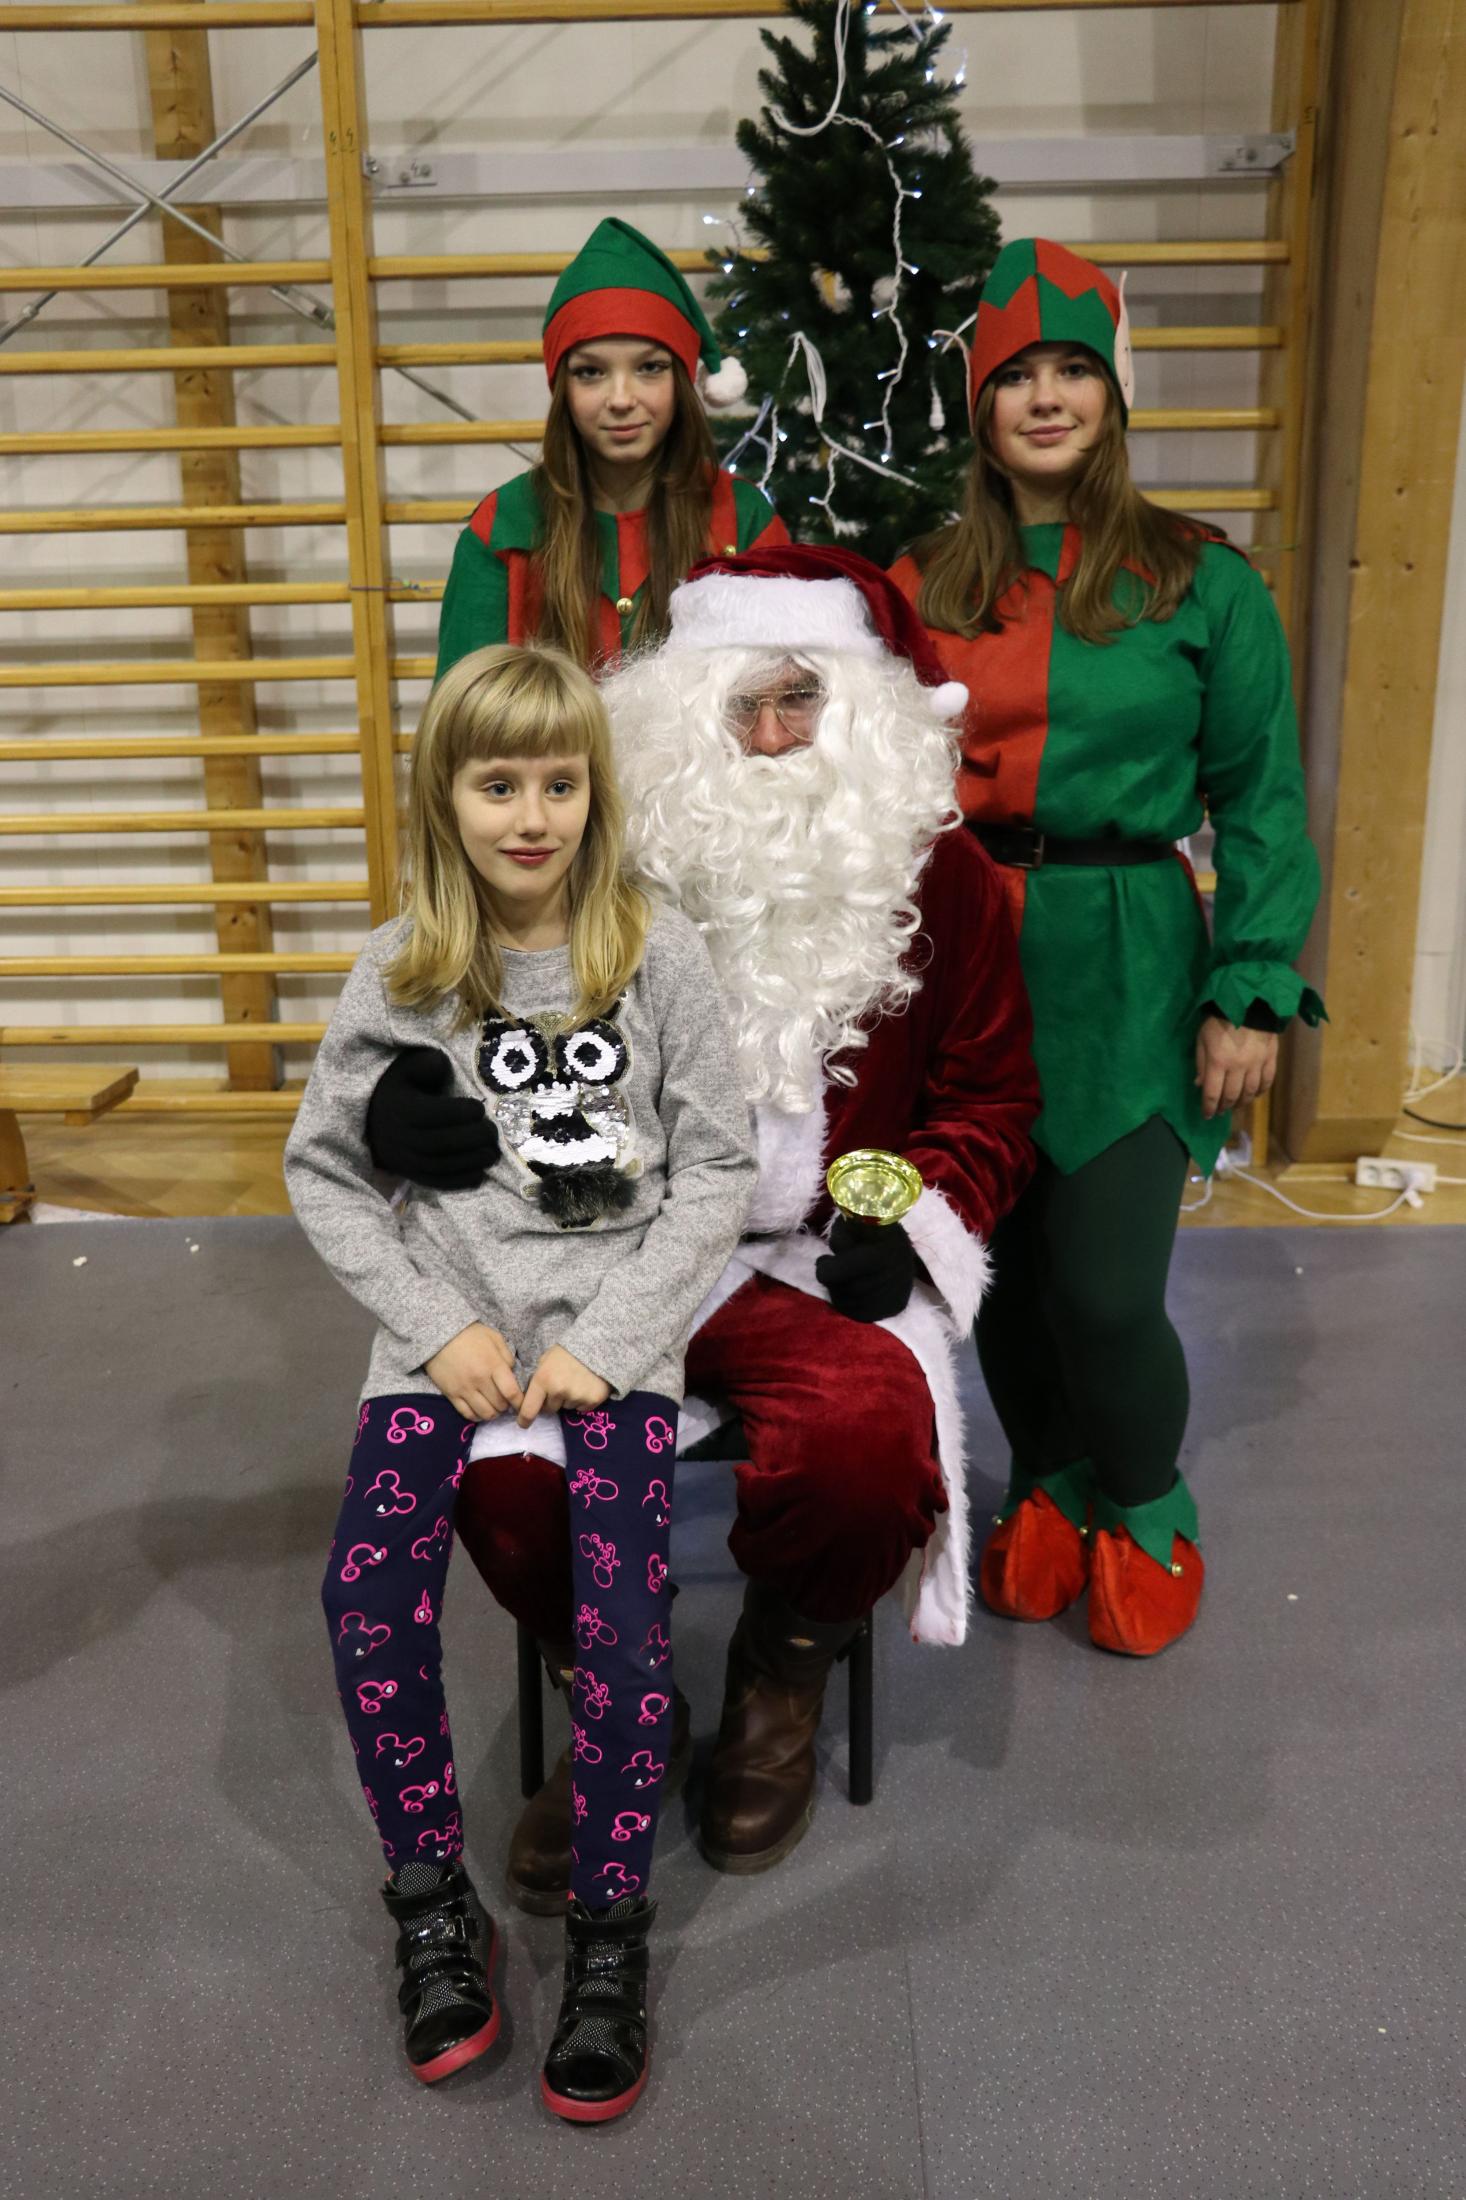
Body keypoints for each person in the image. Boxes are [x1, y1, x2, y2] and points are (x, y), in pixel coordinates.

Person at [365, 546, 1039, 1904]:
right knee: (501, 1473)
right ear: (688, 717)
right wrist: (404, 1111)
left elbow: (989, 1098)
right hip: (596, 1245)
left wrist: (908, 1220)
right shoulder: (595, 867)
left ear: (862, 712)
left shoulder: (946, 879)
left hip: (809, 1265)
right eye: (744, 706)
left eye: (802, 700)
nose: (774, 737)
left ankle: (780, 1676)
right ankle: (617, 1690)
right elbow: (465, 1026)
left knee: (863, 1445)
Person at [284, 644, 755, 2119]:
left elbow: (716, 1170)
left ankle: (608, 1935)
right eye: (498, 784)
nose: (531, 815)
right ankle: (434, 1906)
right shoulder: (400, 969)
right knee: (365, 1601)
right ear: (448, 796)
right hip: (445, 1347)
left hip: (609, 1344)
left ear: (594, 793)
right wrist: (437, 1328)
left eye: (559, 782)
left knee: (622, 1637)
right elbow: (324, 1174)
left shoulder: (656, 954)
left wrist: (608, 1343)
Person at [888, 236, 1325, 1657]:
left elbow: (1259, 799)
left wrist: (1249, 984)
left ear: (1113, 395)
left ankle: (1143, 1498)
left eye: (1074, 369)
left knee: (1105, 1287)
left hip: (1130, 957)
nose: (1047, 397)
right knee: (999, 1279)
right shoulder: (918, 583)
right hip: (964, 958)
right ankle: (1054, 1481)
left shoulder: (1202, 580)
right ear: (978, 404)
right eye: (1016, 374)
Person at [434, 216, 788, 679]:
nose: (621, 399)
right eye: (591, 372)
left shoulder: (743, 518)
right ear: (562, 387)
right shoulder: (503, 527)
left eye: (650, 368)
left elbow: (779, 697)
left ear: (683, 380)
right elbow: (464, 712)